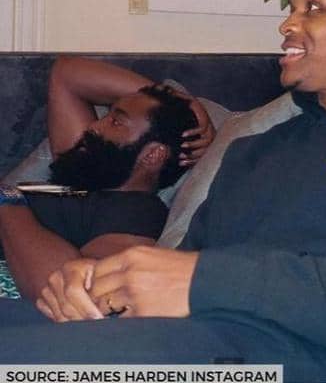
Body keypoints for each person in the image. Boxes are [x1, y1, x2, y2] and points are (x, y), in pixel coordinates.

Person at [0, 0, 326, 382]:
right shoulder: (255, 151)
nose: (288, 24)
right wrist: (99, 284)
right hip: (194, 342)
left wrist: (206, 282)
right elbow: (181, 277)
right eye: (292, 9)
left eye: (313, 7)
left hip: (310, 362)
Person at [0, 57, 212, 303]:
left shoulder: (135, 211)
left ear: (153, 154)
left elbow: (81, 293)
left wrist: (8, 202)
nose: (94, 127)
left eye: (116, 122)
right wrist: (185, 102)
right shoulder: (84, 170)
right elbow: (66, 74)